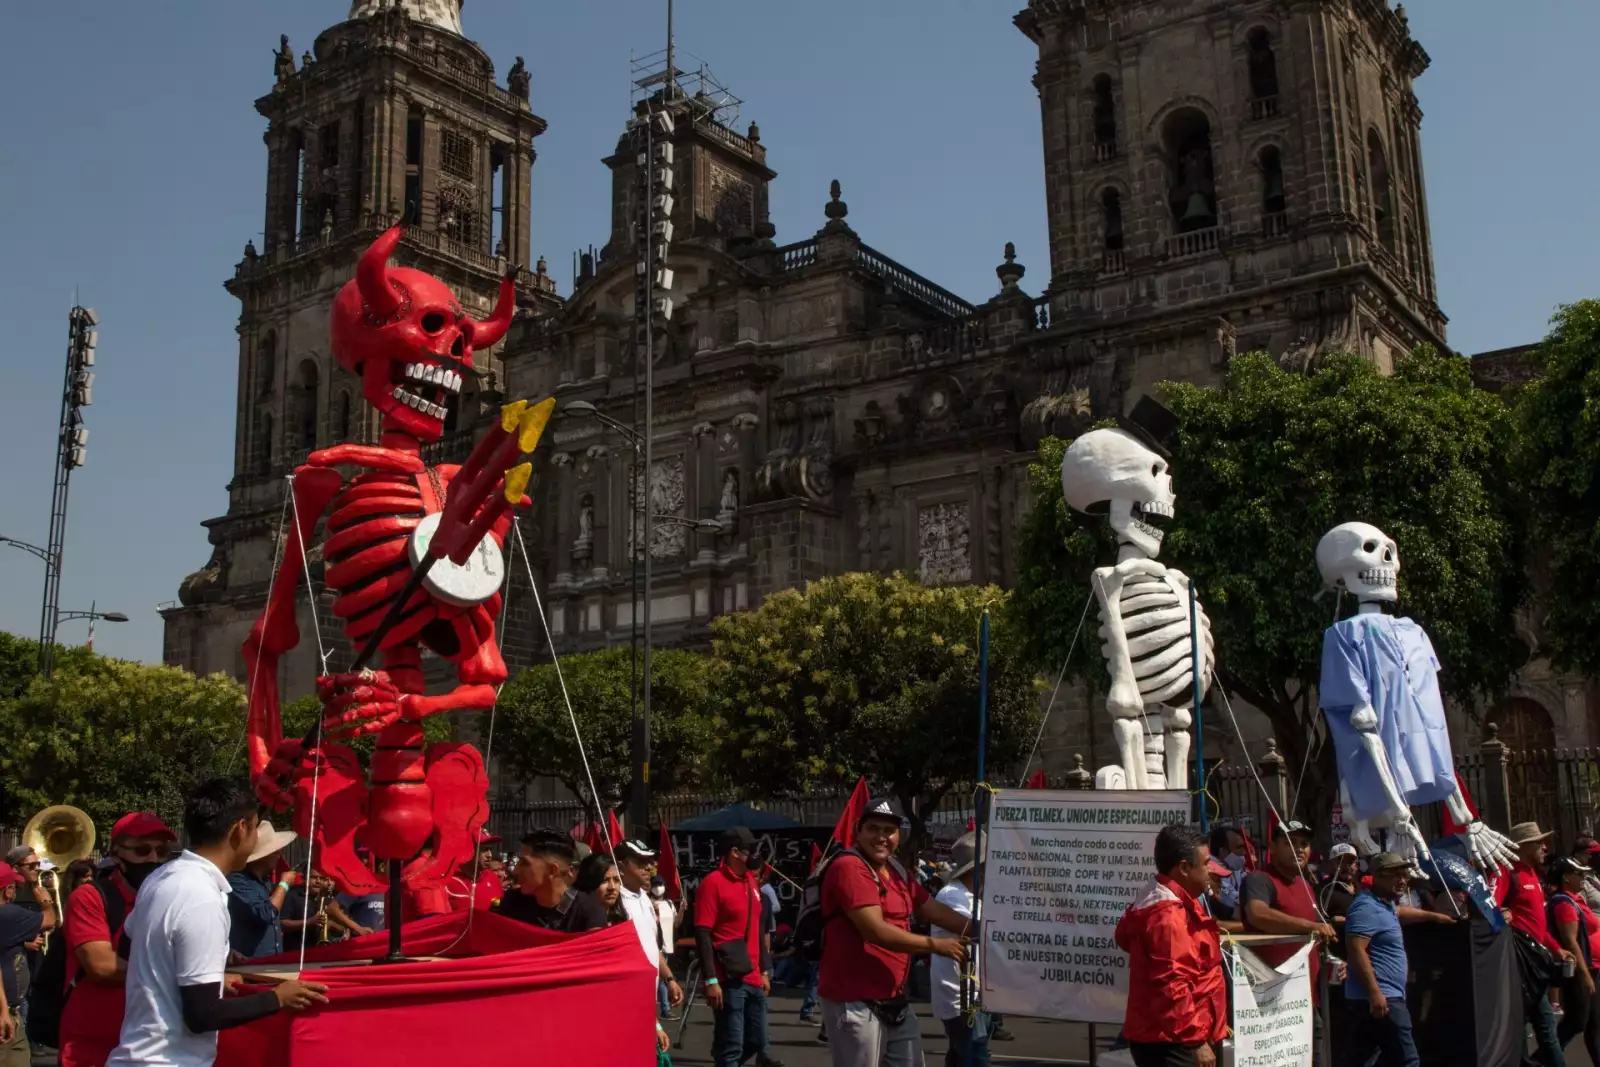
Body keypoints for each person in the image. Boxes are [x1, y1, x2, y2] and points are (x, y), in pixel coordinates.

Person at [105, 778, 326, 1067]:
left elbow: (130, 948)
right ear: (240, 829)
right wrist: (277, 998)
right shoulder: (202, 896)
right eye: (255, 829)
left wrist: (206, 971)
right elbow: (203, 1015)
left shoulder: (161, 877)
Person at [817, 797, 971, 1067]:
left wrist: (986, 930)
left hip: (894, 998)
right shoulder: (850, 867)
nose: (881, 837)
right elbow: (875, 931)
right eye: (873, 829)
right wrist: (936, 946)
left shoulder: (896, 869)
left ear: (899, 835)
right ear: (857, 830)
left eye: (889, 831)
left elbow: (932, 909)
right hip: (854, 1000)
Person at [58, 813, 176, 1067]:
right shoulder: (88, 897)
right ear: (115, 855)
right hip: (92, 1050)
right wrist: (180, 975)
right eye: (142, 851)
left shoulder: (168, 900)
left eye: (161, 851)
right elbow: (103, 967)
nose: (153, 859)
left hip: (149, 1047)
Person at [1114, 824, 1226, 1067]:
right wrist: (1195, 1042)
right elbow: (1172, 984)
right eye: (1206, 863)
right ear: (1184, 868)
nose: (1211, 870)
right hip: (1172, 1040)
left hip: (1176, 1033)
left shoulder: (1172, 901)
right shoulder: (1168, 916)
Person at [695, 827, 775, 1067]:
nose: (755, 854)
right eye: (750, 849)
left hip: (754, 976)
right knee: (732, 1046)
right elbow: (702, 933)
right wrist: (711, 980)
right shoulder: (713, 883)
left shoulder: (751, 882)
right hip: (728, 978)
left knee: (756, 1041)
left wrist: (764, 970)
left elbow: (758, 928)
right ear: (734, 853)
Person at [1497, 821, 1572, 1067]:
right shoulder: (1507, 871)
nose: (1545, 847)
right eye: (1539, 843)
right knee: (1539, 1026)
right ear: (1525, 846)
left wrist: (1556, 948)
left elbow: (1537, 923)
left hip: (1536, 962)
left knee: (1537, 1025)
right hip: (1519, 962)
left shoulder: (1533, 875)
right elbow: (1490, 907)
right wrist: (1502, 913)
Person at [1342, 852, 1426, 1067]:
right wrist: (1375, 993)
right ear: (1377, 877)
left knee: (1364, 1059)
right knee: (1408, 1060)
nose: (1402, 880)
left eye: (1405, 875)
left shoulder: (1385, 905)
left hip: (1381, 998)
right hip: (1383, 999)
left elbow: (1402, 912)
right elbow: (1356, 949)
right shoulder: (1366, 906)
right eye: (1395, 875)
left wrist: (1439, 917)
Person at [1240, 820, 1335, 993]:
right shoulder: (1259, 879)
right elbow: (1257, 914)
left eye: (1304, 844)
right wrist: (1310, 926)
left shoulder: (1305, 885)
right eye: (1290, 843)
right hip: (1272, 993)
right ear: (1273, 847)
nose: (1299, 849)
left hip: (1308, 992)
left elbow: (1316, 930)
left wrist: (1330, 959)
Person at [615, 841, 684, 1060]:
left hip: (647, 1000)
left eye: (650, 862)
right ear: (622, 866)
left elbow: (653, 946)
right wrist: (654, 1023)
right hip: (627, 1005)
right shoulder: (616, 903)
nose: (649, 867)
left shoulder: (644, 898)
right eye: (640, 862)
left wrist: (669, 978)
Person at [931, 832, 988, 1067]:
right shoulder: (952, 896)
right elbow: (979, 931)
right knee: (976, 1057)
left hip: (975, 993)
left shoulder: (974, 896)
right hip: (960, 996)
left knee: (959, 1057)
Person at [492, 828, 609, 933]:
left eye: (525, 863)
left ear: (553, 870)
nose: (515, 870)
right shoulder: (512, 902)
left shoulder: (589, 914)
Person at [0, 863, 55, 1067]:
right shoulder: (8, 913)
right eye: (14, 886)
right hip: (5, 1013)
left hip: (11, 1012)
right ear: (8, 890)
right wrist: (46, 901)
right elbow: (50, 920)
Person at [1549, 856, 1600, 1065]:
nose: (1583, 878)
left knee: (1595, 1025)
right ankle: (1542, 1059)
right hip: (1580, 970)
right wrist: (1585, 975)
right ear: (1566, 878)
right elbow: (1570, 941)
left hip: (1593, 968)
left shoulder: (1576, 899)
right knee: (1576, 1021)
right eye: (1579, 874)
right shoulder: (1563, 903)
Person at [225, 820, 298, 961]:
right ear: (264, 856)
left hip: (271, 961)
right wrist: (284, 884)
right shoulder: (238, 881)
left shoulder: (265, 883)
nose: (279, 855)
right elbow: (266, 914)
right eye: (275, 852)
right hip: (250, 963)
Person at [443, 829, 504, 913]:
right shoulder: (447, 880)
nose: (489, 855)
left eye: (490, 849)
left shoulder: (492, 878)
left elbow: (497, 907)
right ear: (467, 850)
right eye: (484, 849)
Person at [1206, 824, 1248, 923]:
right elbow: (1231, 902)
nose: (1244, 852)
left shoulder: (1234, 867)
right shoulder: (1212, 871)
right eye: (1239, 847)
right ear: (1223, 851)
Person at [575, 852, 625, 925]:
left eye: (616, 880)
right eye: (604, 881)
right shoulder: (575, 925)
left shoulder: (622, 922)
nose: (612, 887)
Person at [1319, 843, 1360, 924]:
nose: (1346, 866)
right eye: (1341, 861)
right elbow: (1317, 921)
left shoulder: (1361, 890)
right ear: (1332, 864)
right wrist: (1332, 921)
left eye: (1351, 861)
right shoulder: (1323, 890)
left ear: (1356, 865)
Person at [1570, 838, 1600, 912]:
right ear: (1577, 854)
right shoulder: (1575, 877)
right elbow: (1580, 911)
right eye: (1591, 853)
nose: (1597, 857)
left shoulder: (1591, 873)